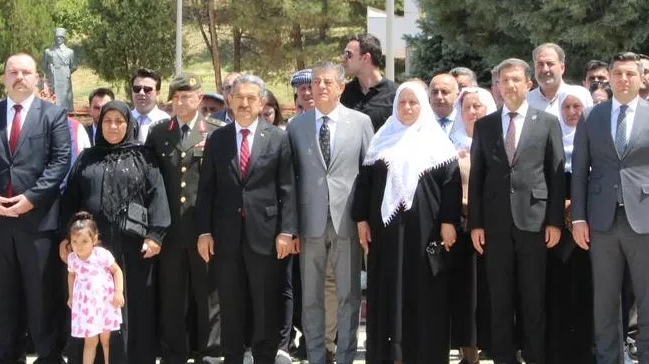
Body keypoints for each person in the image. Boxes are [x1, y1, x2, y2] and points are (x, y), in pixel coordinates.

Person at [570, 53, 649, 364]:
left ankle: (646, 358)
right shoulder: (592, 116)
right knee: (605, 298)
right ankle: (609, 358)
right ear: (610, 78)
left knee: (647, 297)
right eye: (617, 73)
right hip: (601, 220)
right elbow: (579, 171)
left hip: (645, 218)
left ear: (642, 78)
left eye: (630, 73)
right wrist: (578, 217)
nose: (624, 79)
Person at [0, 54, 72, 364]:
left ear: (37, 78)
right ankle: (2, 356)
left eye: (26, 72)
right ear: (4, 78)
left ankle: (47, 356)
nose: (19, 77)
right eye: (13, 72)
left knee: (39, 296)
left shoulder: (53, 114)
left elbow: (60, 161)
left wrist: (31, 198)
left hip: (37, 221)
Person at [351, 81, 460, 364]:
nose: (408, 108)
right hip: (385, 233)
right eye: (403, 103)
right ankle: (389, 354)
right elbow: (364, 183)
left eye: (413, 103)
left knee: (424, 290)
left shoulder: (438, 142)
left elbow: (451, 185)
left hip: (425, 232)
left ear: (422, 106)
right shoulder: (382, 139)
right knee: (388, 287)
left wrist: (449, 221)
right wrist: (361, 218)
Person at [469, 59, 566, 364]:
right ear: (496, 87)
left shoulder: (547, 122)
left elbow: (555, 174)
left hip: (534, 223)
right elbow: (477, 177)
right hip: (495, 225)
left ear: (528, 84)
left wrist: (554, 222)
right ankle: (504, 358)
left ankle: (536, 356)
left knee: (533, 297)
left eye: (515, 80)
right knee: (500, 298)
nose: (509, 86)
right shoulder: (485, 125)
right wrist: (476, 224)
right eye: (503, 81)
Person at [195, 75, 297, 364]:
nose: (244, 103)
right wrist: (204, 231)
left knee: (265, 305)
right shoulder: (218, 139)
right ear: (229, 100)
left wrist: (287, 232)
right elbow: (206, 190)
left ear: (262, 102)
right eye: (239, 97)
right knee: (231, 305)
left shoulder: (277, 137)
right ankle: (233, 358)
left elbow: (287, 188)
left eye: (251, 98)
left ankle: (264, 358)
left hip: (266, 237)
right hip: (226, 238)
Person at [60, 101, 169, 364]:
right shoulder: (87, 158)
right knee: (94, 309)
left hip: (135, 250)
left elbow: (158, 198)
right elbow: (70, 200)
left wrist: (155, 236)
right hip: (92, 251)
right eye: (107, 121)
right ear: (99, 125)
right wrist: (66, 239)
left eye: (119, 121)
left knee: (133, 305)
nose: (113, 126)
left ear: (128, 125)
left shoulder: (144, 157)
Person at [287, 63, 373, 364]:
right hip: (309, 222)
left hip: (347, 221)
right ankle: (316, 356)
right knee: (311, 298)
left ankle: (346, 356)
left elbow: (368, 175)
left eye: (327, 82)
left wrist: (365, 220)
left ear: (340, 87)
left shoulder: (360, 122)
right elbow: (290, 180)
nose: (320, 87)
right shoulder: (296, 126)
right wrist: (291, 227)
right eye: (315, 82)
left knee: (349, 296)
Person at [146, 75, 222, 364]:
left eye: (187, 96)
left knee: (208, 298)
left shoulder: (215, 131)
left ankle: (211, 354)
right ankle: (174, 354)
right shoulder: (158, 133)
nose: (180, 102)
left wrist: (212, 228)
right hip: (170, 230)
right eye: (176, 97)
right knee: (172, 298)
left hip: (203, 230)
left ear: (199, 99)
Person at [545, 85, 594, 364]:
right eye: (567, 107)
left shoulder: (596, 140)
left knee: (586, 290)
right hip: (554, 229)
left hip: (588, 228)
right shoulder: (549, 140)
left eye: (578, 107)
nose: (573, 112)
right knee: (556, 289)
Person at [448, 87, 494, 364]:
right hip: (459, 229)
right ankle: (468, 351)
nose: (473, 112)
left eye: (478, 106)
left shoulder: (500, 140)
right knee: (464, 292)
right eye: (467, 107)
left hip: (493, 228)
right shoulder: (447, 143)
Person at [65, 213, 125, 364]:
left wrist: (118, 293)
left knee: (106, 340)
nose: (79, 246)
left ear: (94, 240)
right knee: (90, 341)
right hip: (86, 307)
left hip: (104, 303)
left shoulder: (102, 255)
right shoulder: (73, 259)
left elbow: (117, 271)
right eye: (75, 241)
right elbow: (71, 275)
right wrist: (71, 296)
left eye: (84, 241)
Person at [339, 34, 397, 130]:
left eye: (348, 55)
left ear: (365, 57)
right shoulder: (342, 94)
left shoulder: (395, 95)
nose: (343, 60)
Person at [527, 43, 567, 117]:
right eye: (540, 64)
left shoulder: (580, 95)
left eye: (550, 63)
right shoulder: (526, 101)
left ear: (562, 68)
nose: (545, 69)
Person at [130, 69, 170, 143]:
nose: (141, 93)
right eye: (137, 89)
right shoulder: (124, 120)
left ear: (157, 93)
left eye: (147, 89)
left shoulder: (166, 122)